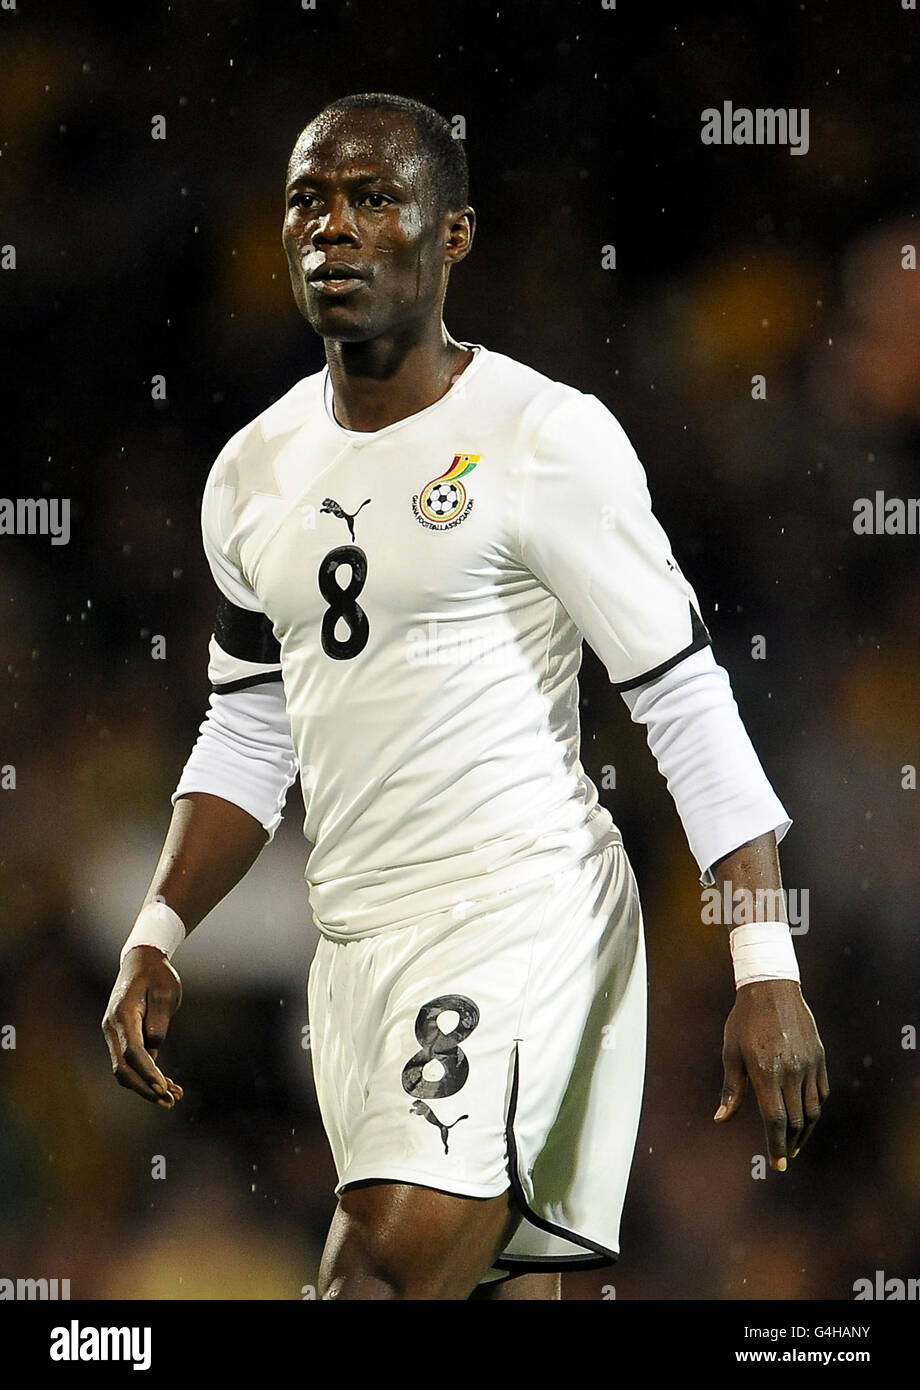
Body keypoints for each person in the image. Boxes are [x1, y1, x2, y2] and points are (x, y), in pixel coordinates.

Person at [102, 92, 829, 1302]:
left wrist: (764, 961)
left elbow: (682, 696)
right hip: (357, 949)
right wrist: (159, 928)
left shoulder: (545, 439)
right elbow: (247, 723)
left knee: (374, 1274)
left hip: (519, 913)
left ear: (453, 238)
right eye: (308, 201)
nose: (332, 229)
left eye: (374, 199)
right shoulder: (250, 473)